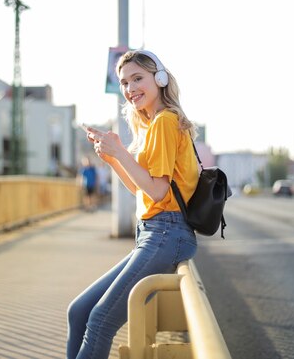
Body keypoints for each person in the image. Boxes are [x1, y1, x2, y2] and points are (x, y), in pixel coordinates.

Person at [66, 50, 199, 359]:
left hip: (167, 234)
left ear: (160, 78)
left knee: (99, 320)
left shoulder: (165, 121)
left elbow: (157, 190)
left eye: (138, 78)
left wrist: (121, 153)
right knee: (79, 311)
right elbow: (140, 189)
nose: (130, 89)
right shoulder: (153, 125)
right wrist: (112, 157)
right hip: (153, 233)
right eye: (125, 82)